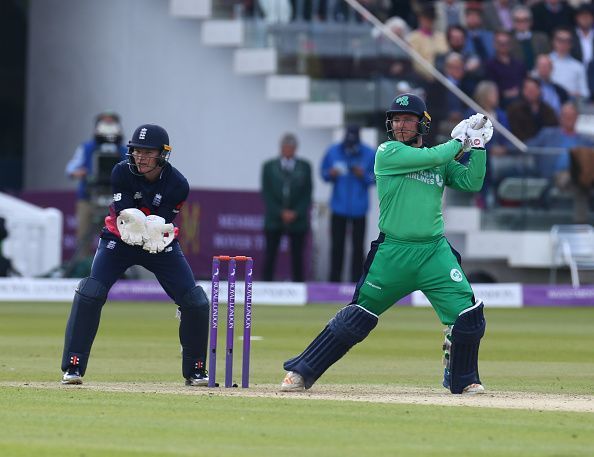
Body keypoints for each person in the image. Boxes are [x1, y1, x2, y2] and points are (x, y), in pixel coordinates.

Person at [280, 93, 492, 395]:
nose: (401, 125)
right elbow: (430, 157)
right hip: (393, 253)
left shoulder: (440, 159)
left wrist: (479, 145)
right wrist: (460, 143)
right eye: (396, 119)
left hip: (434, 252)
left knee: (469, 317)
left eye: (408, 120)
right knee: (357, 318)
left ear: (422, 124)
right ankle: (300, 371)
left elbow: (471, 182)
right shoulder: (387, 152)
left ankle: (462, 378)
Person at [60, 124, 210, 387]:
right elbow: (127, 217)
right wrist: (133, 226)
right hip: (120, 239)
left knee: (195, 302)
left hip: (157, 242)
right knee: (90, 291)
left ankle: (196, 369)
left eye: (147, 152)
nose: (140, 157)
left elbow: (159, 224)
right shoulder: (121, 171)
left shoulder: (178, 184)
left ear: (163, 155)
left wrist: (152, 232)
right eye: (136, 151)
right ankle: (73, 366)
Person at [65, 112, 127, 259]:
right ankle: (82, 267)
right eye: (105, 122)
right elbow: (70, 169)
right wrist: (81, 173)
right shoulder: (87, 148)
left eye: (111, 122)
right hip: (89, 198)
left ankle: (119, 268)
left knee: (117, 237)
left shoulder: (123, 151)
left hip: (115, 200)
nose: (108, 126)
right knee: (84, 236)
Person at [321, 125, 375, 283]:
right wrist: (330, 174)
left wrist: (363, 175)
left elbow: (376, 178)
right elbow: (323, 173)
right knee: (337, 246)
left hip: (359, 208)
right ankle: (334, 282)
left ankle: (356, 282)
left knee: (358, 247)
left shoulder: (369, 153)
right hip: (338, 206)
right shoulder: (333, 151)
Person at [261, 133, 312, 282]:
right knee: (270, 253)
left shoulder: (304, 166)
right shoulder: (269, 167)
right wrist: (280, 212)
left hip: (298, 219)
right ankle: (266, 285)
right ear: (281, 148)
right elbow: (267, 193)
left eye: (291, 147)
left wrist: (296, 212)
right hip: (274, 218)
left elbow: (307, 193)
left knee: (297, 255)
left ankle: (299, 286)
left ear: (295, 149)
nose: (288, 150)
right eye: (285, 147)